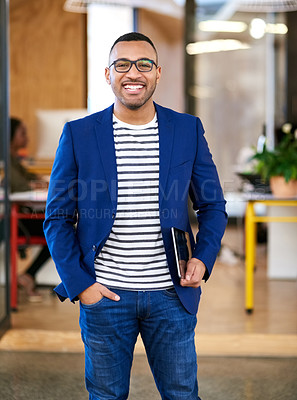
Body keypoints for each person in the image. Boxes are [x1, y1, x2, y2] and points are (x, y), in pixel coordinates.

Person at [44, 32, 227, 400]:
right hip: (105, 295)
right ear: (108, 74)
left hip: (171, 295)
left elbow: (212, 206)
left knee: (181, 394)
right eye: (122, 64)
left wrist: (203, 260)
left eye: (144, 64)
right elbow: (57, 218)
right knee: (106, 395)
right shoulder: (78, 134)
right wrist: (82, 286)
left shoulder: (187, 129)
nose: (134, 73)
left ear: (158, 73)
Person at [10, 117, 50, 301]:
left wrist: (40, 183)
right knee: (58, 230)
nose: (27, 138)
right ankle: (28, 276)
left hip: (19, 216)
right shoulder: (6, 162)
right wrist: (38, 185)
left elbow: (31, 180)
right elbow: (23, 186)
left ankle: (28, 276)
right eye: (22, 133)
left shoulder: (13, 161)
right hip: (11, 220)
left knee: (58, 227)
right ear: (11, 137)